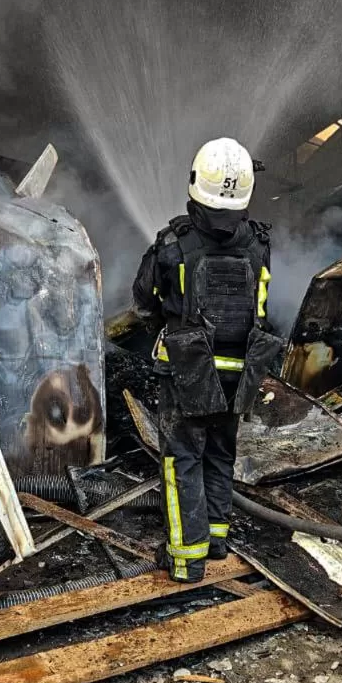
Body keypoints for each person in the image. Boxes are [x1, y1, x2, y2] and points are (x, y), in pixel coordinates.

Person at [131, 138, 278, 582]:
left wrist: (166, 324)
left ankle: (186, 558)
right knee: (219, 453)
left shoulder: (172, 244)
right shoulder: (260, 245)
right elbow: (262, 308)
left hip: (189, 371)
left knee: (182, 459)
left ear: (197, 182)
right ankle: (216, 540)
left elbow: (143, 302)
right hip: (241, 372)